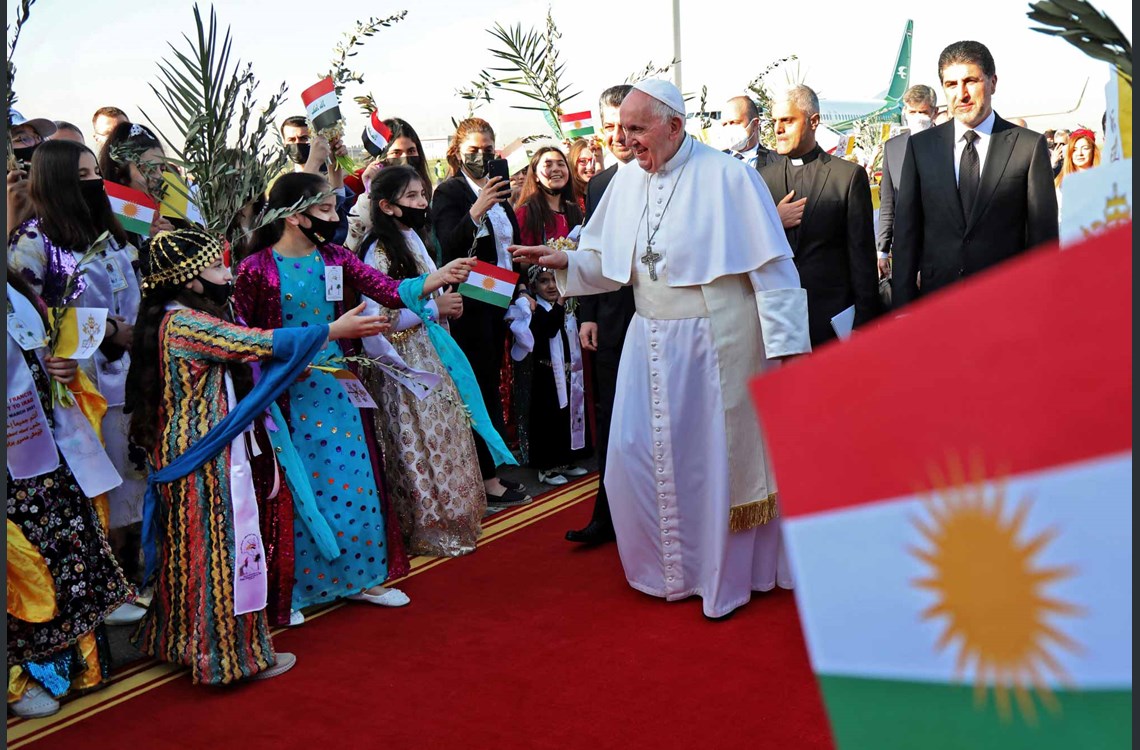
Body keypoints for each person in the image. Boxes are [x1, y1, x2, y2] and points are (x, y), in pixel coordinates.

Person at [513, 79, 812, 619]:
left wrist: (789, 355)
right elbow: (611, 263)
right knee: (635, 455)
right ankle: (665, 569)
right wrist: (567, 263)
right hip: (647, 339)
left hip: (716, 342)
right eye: (621, 129)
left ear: (674, 125)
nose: (626, 141)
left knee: (709, 464)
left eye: (636, 128)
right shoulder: (627, 183)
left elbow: (775, 272)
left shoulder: (730, 178)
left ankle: (720, 576)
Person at [125, 227, 388, 684]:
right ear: (189, 279)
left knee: (189, 553)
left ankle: (179, 642)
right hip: (207, 457)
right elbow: (262, 344)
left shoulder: (168, 318)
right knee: (221, 554)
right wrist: (332, 328)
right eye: (218, 266)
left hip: (187, 451)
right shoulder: (188, 324)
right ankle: (228, 659)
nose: (228, 274)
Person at [235, 173, 475, 618]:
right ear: (292, 215)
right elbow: (246, 338)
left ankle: (362, 578)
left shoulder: (336, 257)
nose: (335, 217)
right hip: (286, 395)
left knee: (356, 480)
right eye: (325, 210)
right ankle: (297, 589)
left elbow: (385, 290)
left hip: (340, 387)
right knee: (299, 488)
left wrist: (434, 280)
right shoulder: (254, 269)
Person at [8, 140, 149, 623]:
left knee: (133, 475)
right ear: (59, 181)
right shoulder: (34, 240)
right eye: (83, 175)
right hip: (77, 384)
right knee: (99, 482)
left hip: (131, 374)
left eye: (96, 173)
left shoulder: (110, 233)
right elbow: (28, 313)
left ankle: (132, 576)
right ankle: (108, 590)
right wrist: (107, 331)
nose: (94, 182)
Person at [7, 272, 135, 717]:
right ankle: (20, 677)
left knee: (63, 550)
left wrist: (58, 366)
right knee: (23, 567)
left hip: (44, 448)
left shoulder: (17, 290)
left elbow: (46, 351)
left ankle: (76, 664)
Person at [356, 165, 488, 557]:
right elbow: (378, 317)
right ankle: (430, 527)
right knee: (420, 441)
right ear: (387, 205)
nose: (421, 203)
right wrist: (433, 309)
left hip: (434, 351)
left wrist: (442, 309)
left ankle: (457, 518)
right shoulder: (378, 249)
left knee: (446, 434)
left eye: (421, 193)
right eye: (411, 197)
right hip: (403, 361)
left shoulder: (414, 236)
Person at [891, 41, 1058, 310]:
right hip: (938, 302)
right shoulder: (921, 147)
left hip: (1007, 303)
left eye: (970, 81)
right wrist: (902, 310)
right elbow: (907, 234)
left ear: (992, 82)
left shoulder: (1028, 146)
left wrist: (1041, 305)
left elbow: (1044, 237)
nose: (962, 94)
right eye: (951, 84)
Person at [432, 117, 531, 506]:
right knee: (479, 387)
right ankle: (486, 478)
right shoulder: (450, 191)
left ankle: (493, 467)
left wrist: (521, 284)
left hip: (500, 299)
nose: (481, 156)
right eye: (473, 149)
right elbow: (449, 242)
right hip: (470, 304)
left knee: (495, 383)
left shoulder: (501, 193)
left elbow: (509, 244)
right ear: (457, 152)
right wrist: (476, 209)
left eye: (489, 150)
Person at [566, 84, 637, 546]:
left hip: (667, 318)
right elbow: (590, 252)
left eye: (626, 127)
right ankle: (607, 515)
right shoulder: (599, 184)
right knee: (612, 418)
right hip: (611, 320)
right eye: (608, 127)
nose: (617, 137)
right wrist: (587, 313)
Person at [760, 85, 880, 347]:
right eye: (775, 121)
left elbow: (862, 257)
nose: (778, 129)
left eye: (787, 120)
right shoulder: (762, 179)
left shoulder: (846, 177)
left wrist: (865, 322)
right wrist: (774, 223)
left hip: (832, 320)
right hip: (779, 321)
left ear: (813, 121)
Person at [526, 266, 591, 485]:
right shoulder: (533, 309)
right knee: (548, 419)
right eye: (544, 281)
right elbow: (548, 329)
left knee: (568, 415)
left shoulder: (568, 308)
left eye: (556, 280)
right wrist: (562, 302)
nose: (552, 286)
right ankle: (546, 466)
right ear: (534, 286)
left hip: (568, 371)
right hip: (546, 374)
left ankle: (566, 460)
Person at [876, 84, 938, 280]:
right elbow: (888, 202)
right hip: (905, 248)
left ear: (934, 113)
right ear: (905, 112)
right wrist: (882, 251)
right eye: (913, 112)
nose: (918, 117)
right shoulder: (893, 148)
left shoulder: (949, 143)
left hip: (940, 247)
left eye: (923, 112)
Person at [515, 145, 584, 246]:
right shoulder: (526, 213)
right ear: (535, 176)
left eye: (561, 164)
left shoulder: (575, 210)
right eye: (548, 165)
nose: (556, 169)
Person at [717, 95, 777, 168]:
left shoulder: (777, 162)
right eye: (724, 124)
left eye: (734, 122)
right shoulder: (716, 161)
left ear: (755, 124)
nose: (728, 128)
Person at [567, 138, 601, 213]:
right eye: (583, 161)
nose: (590, 167)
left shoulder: (606, 192)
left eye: (594, 160)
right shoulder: (567, 198)